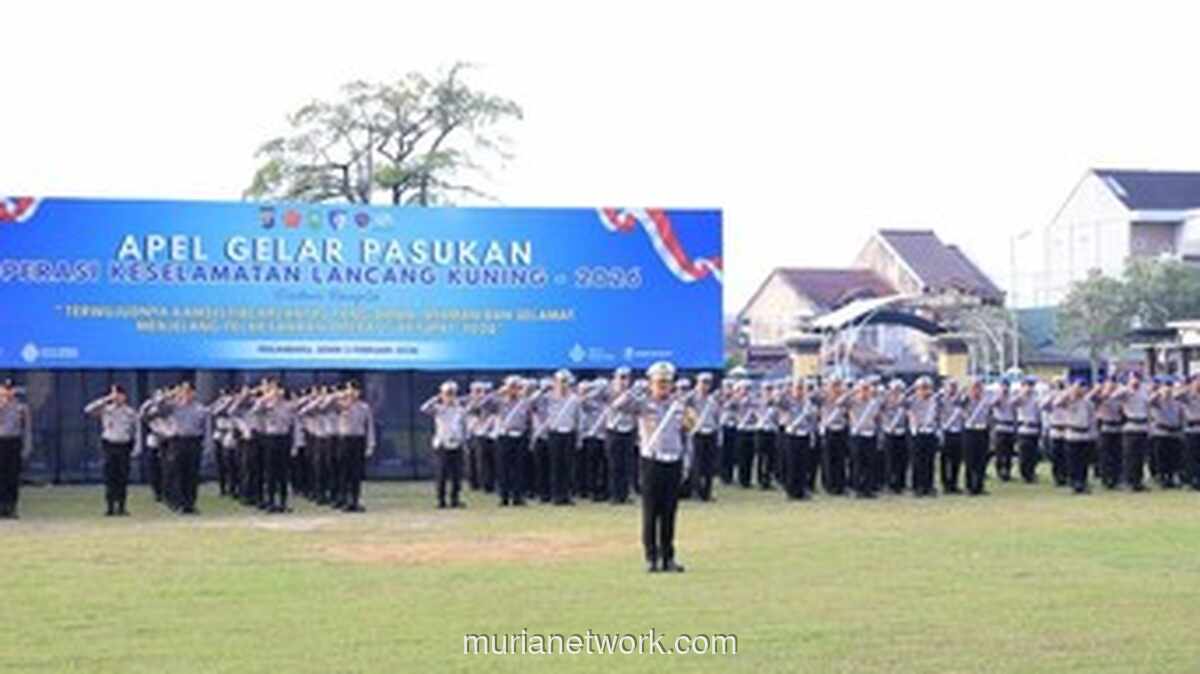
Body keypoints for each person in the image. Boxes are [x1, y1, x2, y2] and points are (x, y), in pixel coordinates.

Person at [610, 361, 693, 573]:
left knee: (669, 513)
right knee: (650, 512)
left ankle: (668, 557)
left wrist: (686, 462)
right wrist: (635, 391)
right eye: (659, 382)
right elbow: (618, 406)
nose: (663, 386)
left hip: (673, 461)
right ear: (651, 383)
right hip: (651, 462)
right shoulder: (643, 404)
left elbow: (687, 434)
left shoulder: (679, 406)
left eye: (666, 382)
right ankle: (651, 557)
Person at [142, 382, 212, 515]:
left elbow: (205, 427)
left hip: (194, 441)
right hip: (177, 441)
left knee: (192, 474)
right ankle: (177, 503)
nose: (185, 394)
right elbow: (153, 411)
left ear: (193, 393)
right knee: (176, 473)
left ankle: (190, 504)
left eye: (188, 391)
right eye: (183, 391)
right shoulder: (172, 406)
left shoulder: (200, 409)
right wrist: (167, 396)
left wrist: (205, 443)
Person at [84, 385, 141, 516]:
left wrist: (136, 448)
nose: (116, 397)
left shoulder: (130, 412)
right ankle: (110, 507)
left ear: (124, 396)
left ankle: (121, 506)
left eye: (118, 394)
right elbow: (88, 410)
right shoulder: (106, 409)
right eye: (114, 394)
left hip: (124, 445)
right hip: (109, 445)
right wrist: (106, 399)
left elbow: (136, 431)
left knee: (122, 477)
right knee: (110, 477)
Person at [420, 381, 468, 508]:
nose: (450, 397)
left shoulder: (460, 410)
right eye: (447, 394)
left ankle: (455, 499)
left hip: (457, 444)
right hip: (442, 444)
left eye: (452, 394)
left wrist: (464, 442)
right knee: (441, 474)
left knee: (457, 475)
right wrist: (437, 398)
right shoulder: (438, 408)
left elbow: (464, 426)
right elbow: (424, 408)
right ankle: (441, 500)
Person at [1053, 378, 1099, 494]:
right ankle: (1074, 483)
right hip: (1072, 434)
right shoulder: (1069, 401)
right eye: (1080, 386)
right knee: (1073, 461)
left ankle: (1082, 482)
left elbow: (1092, 420)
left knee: (1084, 462)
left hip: (1085, 435)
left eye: (1084, 387)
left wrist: (1094, 435)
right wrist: (1070, 391)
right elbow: (1056, 403)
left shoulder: (1088, 403)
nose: (1082, 389)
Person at [1107, 374, 1151, 491]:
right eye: (1133, 379)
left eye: (1138, 378)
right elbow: (1112, 397)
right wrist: (1126, 388)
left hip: (1142, 426)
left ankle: (1138, 481)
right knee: (1129, 456)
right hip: (1131, 426)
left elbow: (1148, 407)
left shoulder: (1144, 392)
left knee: (1140, 457)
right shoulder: (1125, 392)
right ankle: (1128, 481)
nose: (1136, 381)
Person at [0, 380, 33, 519]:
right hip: (1, 440)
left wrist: (27, 445)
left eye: (10, 390)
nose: (8, 393)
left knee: (12, 476)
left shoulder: (21, 407)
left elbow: (27, 428)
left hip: (14, 441)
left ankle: (11, 507)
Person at [686, 372, 721, 502]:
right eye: (702, 382)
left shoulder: (713, 400)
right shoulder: (691, 398)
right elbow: (686, 414)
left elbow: (717, 416)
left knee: (709, 465)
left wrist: (718, 434)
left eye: (707, 383)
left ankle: (707, 492)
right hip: (697, 433)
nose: (705, 386)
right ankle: (696, 491)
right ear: (697, 383)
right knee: (697, 464)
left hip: (710, 432)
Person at [780, 378, 817, 500]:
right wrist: (785, 391)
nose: (800, 391)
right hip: (792, 435)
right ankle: (791, 491)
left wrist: (812, 434)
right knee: (792, 464)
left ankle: (801, 490)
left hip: (804, 434)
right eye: (798, 388)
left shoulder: (808, 404)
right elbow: (779, 403)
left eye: (802, 388)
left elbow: (812, 420)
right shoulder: (788, 402)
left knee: (803, 464)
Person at [906, 376, 940, 497]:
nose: (925, 390)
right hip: (917, 433)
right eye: (922, 388)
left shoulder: (935, 400)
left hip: (930, 432)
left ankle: (929, 486)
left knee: (930, 461)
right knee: (917, 461)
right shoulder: (911, 400)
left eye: (927, 388)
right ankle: (917, 487)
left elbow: (938, 415)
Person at [960, 379, 995, 496]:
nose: (977, 391)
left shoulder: (986, 402)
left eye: (979, 388)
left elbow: (990, 417)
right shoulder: (965, 401)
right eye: (975, 388)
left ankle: (979, 486)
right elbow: (961, 412)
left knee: (981, 460)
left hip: (982, 431)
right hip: (970, 431)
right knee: (970, 460)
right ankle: (969, 486)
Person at [1149, 377, 1184, 489]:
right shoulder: (1157, 399)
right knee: (1161, 458)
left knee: (1174, 458)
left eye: (1170, 386)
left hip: (1174, 431)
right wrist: (1160, 392)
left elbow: (1181, 415)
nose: (1168, 389)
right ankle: (1162, 478)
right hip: (1161, 432)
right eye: (1166, 386)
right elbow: (1150, 402)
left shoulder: (1177, 400)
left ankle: (1172, 478)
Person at [1094, 378, 1124, 489]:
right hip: (1105, 427)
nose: (1112, 386)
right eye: (1109, 383)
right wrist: (1102, 391)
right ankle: (1106, 479)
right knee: (1105, 455)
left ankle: (1117, 477)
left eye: (1113, 383)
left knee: (1117, 455)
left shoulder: (1119, 397)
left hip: (1117, 427)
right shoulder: (1101, 397)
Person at [1012, 377, 1044, 483]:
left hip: (1034, 428)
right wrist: (1022, 393)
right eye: (1028, 385)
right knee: (1024, 453)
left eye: (1032, 385)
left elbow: (1039, 412)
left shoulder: (1035, 397)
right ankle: (1025, 474)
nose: (1030, 388)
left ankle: (1031, 472)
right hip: (1024, 428)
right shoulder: (1020, 396)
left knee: (1033, 454)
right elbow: (1013, 403)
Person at [881, 379, 910, 494]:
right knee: (889, 460)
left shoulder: (905, 402)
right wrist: (888, 426)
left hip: (902, 432)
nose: (896, 392)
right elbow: (881, 414)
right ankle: (889, 484)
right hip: (889, 432)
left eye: (899, 390)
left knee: (902, 460)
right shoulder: (884, 402)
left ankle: (900, 484)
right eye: (894, 390)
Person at [1174, 375, 1200, 491]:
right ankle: (1191, 480)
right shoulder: (1188, 396)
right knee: (1190, 457)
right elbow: (1176, 396)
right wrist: (1189, 388)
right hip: (1191, 429)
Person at [939, 379, 965, 494]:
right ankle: (945, 484)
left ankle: (954, 484)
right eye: (950, 386)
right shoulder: (940, 400)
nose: (952, 389)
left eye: (954, 387)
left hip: (958, 432)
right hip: (945, 431)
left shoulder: (961, 400)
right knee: (945, 460)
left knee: (956, 460)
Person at [991, 380, 1017, 482]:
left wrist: (1015, 427)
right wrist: (1000, 395)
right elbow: (993, 404)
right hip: (1000, 427)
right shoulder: (997, 396)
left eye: (1007, 386)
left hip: (1010, 427)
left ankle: (1007, 471)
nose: (1005, 388)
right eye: (1003, 386)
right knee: (1000, 452)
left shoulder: (1012, 397)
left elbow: (1015, 412)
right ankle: (1000, 471)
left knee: (1009, 452)